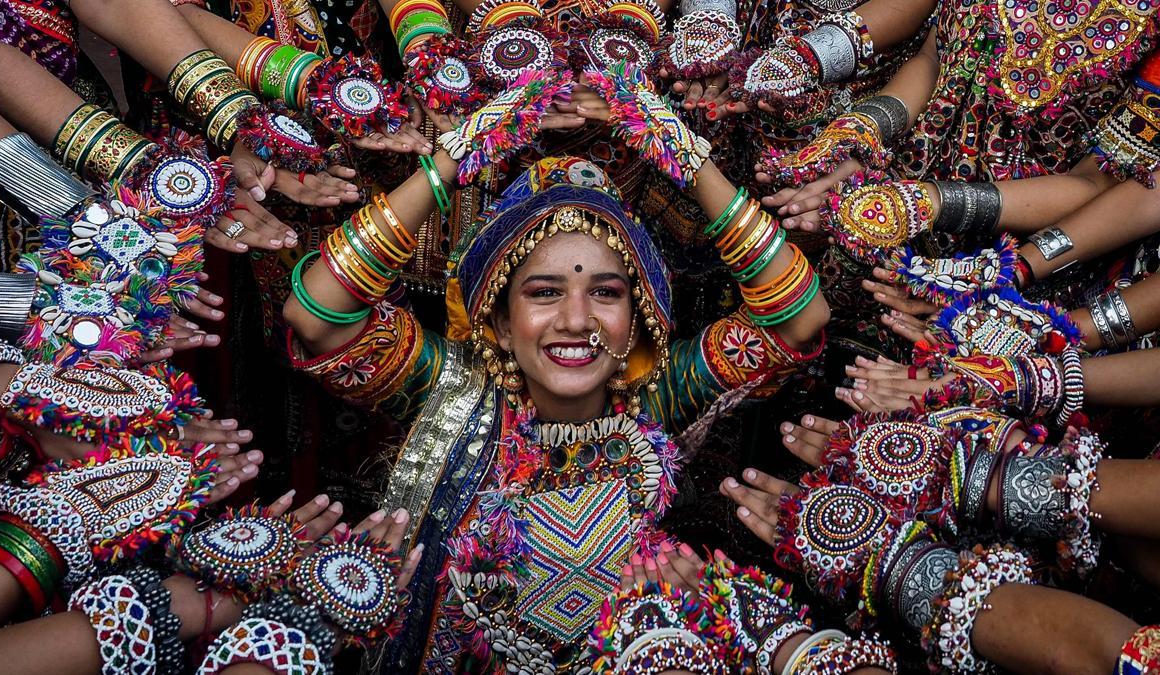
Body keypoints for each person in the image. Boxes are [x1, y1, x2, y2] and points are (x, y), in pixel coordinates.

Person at [283, 92, 829, 668]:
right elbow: (317, 316)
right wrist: (451, 158)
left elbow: (798, 320)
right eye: (544, 293)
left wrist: (689, 159)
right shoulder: (446, 388)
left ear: (638, 316)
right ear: (497, 319)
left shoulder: (658, 395)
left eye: (605, 293)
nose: (575, 319)